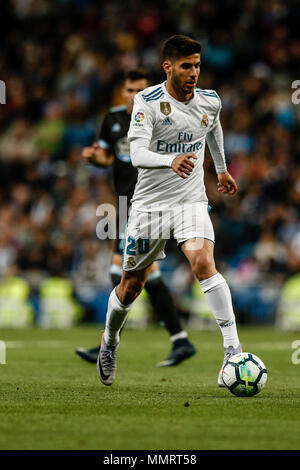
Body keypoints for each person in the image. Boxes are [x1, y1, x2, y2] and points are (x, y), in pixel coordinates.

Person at [97, 35, 242, 387]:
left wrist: (221, 169)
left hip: (190, 201)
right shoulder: (147, 102)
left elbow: (213, 127)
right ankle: (109, 342)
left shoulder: (210, 100)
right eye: (186, 66)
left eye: (197, 66)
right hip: (149, 206)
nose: (193, 73)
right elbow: (137, 154)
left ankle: (233, 351)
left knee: (203, 262)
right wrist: (170, 160)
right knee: (131, 285)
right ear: (168, 67)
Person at [77, 69, 196, 367]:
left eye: (141, 90)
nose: (135, 96)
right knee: (141, 274)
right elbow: (109, 157)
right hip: (125, 204)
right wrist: (95, 158)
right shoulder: (113, 119)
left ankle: (109, 343)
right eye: (130, 90)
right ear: (123, 91)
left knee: (125, 272)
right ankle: (179, 339)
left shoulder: (161, 119)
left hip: (151, 203)